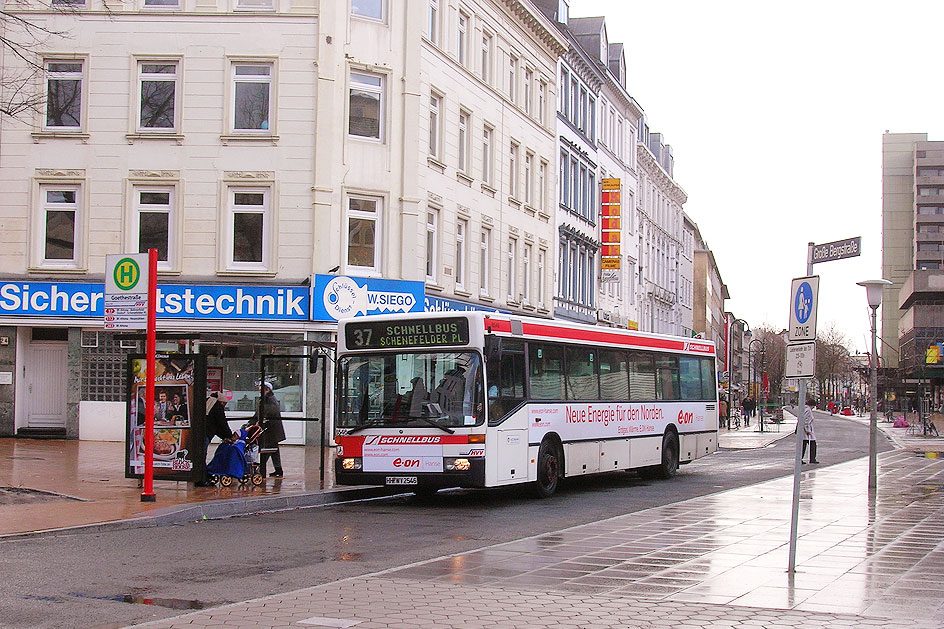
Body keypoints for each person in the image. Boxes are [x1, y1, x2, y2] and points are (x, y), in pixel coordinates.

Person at [196, 391, 235, 486]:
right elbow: (222, 424)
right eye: (224, 404)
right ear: (221, 402)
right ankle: (202, 479)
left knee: (198, 456)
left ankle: (199, 477)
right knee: (202, 456)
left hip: (196, 434)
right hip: (205, 434)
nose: (224, 406)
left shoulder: (205, 403)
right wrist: (229, 436)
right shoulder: (217, 407)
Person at [255, 381, 285, 477]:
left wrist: (262, 416)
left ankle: (262, 469)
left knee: (267, 449)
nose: (260, 391)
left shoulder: (270, 399)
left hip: (271, 429)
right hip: (271, 429)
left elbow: (270, 410)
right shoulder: (265, 399)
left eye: (261, 390)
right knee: (274, 450)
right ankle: (278, 470)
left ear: (267, 390)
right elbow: (259, 412)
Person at [802, 396, 819, 464]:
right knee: (812, 444)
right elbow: (806, 421)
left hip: (804, 431)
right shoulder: (808, 410)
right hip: (806, 431)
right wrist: (808, 430)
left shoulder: (804, 409)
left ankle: (802, 458)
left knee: (804, 445)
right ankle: (812, 459)